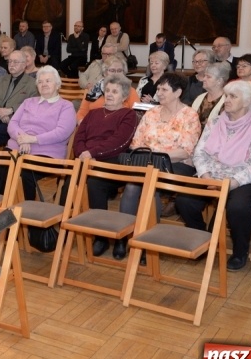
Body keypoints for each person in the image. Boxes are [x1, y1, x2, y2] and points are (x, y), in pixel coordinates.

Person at [177, 81, 251, 270]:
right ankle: (203, 238)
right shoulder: (215, 122)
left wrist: (233, 183)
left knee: (238, 206)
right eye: (226, 96)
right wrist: (205, 176)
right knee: (184, 200)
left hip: (243, 179)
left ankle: (239, 251)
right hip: (211, 174)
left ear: (246, 101)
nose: (226, 100)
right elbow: (200, 152)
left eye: (233, 96)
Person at [114, 73, 201, 259]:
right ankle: (123, 238)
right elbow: (136, 142)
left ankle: (148, 243)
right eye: (158, 88)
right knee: (130, 187)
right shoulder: (152, 112)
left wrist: (156, 156)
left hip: (175, 164)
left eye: (164, 89)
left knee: (150, 186)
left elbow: (185, 151)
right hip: (146, 161)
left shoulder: (189, 115)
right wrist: (148, 157)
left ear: (178, 92)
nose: (159, 92)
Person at [73, 74, 139, 256]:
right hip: (87, 159)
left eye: (115, 91)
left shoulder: (128, 114)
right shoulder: (93, 113)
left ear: (124, 96)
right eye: (108, 90)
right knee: (70, 183)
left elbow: (120, 142)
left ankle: (111, 236)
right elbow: (79, 137)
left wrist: (92, 154)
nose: (109, 94)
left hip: (113, 159)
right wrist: (83, 154)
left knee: (94, 181)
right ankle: (63, 233)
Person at [0, 66, 75, 200]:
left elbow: (62, 132)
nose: (44, 84)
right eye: (40, 82)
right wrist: (21, 139)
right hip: (16, 148)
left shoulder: (66, 106)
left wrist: (32, 139)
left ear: (58, 85)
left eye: (48, 81)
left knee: (25, 173)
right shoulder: (28, 102)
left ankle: (26, 214)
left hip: (47, 153)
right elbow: (13, 123)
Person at [0, 50, 37, 150]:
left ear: (24, 65)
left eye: (15, 62)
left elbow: (31, 105)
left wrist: (11, 110)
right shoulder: (1, 80)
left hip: (16, 118)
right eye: (10, 61)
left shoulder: (32, 84)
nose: (11, 65)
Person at [77, 53, 139, 123]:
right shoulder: (92, 90)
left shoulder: (130, 91)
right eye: (112, 70)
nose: (116, 74)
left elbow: (136, 116)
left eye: (119, 71)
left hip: (119, 128)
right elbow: (81, 114)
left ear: (124, 73)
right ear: (105, 73)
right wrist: (85, 126)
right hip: (92, 128)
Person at [190, 62, 229, 130]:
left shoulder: (227, 101)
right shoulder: (200, 98)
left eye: (208, 77)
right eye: (204, 76)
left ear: (219, 81)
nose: (204, 79)